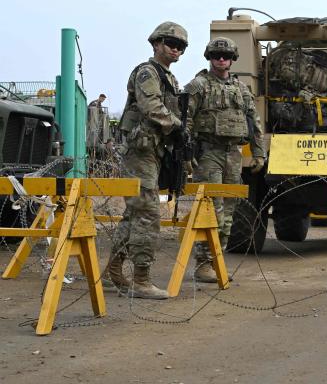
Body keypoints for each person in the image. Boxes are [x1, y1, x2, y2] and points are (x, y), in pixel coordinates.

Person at [107, 22, 189, 299]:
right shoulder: (148, 72)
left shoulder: (169, 78)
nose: (175, 48)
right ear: (156, 44)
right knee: (148, 213)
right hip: (141, 151)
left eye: (180, 46)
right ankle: (141, 279)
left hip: (153, 150)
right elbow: (151, 107)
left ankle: (116, 269)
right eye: (169, 42)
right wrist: (177, 125)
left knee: (135, 213)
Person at [184, 37, 265, 283]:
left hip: (233, 154)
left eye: (226, 56)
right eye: (216, 56)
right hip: (208, 154)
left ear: (232, 59)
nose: (221, 59)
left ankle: (217, 259)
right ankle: (204, 263)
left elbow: (254, 122)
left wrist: (259, 151)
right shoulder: (198, 86)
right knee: (212, 209)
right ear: (209, 58)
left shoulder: (241, 89)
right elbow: (185, 121)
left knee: (229, 211)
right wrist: (187, 155)